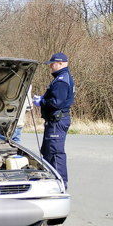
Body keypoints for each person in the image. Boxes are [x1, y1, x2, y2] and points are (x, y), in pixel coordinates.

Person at [32, 53, 74, 188]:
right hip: (55, 120)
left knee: (55, 152)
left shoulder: (61, 80)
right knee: (48, 151)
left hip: (57, 121)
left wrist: (42, 102)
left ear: (60, 63)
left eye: (52, 63)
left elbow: (56, 102)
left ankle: (60, 183)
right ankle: (51, 179)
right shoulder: (61, 78)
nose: (50, 66)